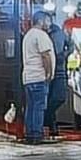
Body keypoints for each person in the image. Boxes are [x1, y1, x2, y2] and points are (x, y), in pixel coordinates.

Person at [20, 10, 56, 144]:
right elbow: (46, 55)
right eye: (48, 20)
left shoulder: (28, 35)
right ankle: (37, 134)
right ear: (41, 21)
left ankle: (30, 133)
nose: (49, 24)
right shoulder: (40, 35)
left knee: (31, 106)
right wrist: (48, 73)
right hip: (39, 76)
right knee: (39, 107)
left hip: (28, 77)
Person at [44, 13, 73, 139]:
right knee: (48, 97)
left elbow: (71, 44)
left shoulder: (59, 32)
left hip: (60, 69)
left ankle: (47, 116)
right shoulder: (41, 34)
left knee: (59, 97)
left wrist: (65, 54)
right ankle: (52, 125)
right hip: (46, 69)